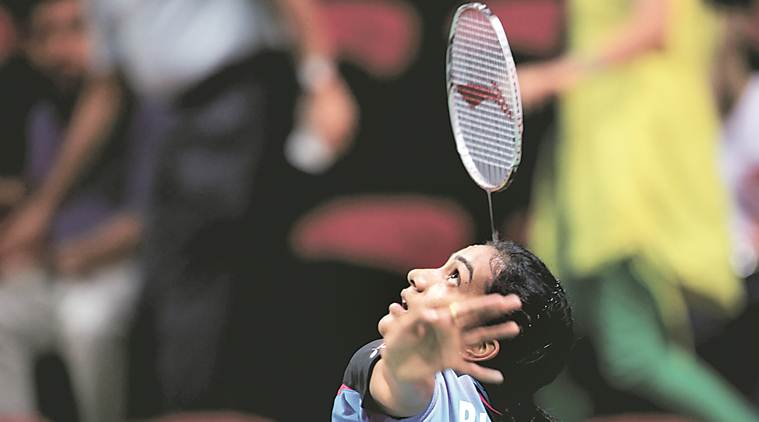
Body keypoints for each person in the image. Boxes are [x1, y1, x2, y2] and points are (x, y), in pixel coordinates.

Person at [0, 0, 357, 418]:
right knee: (181, 299)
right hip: (172, 118)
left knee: (236, 285)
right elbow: (105, 87)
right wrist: (42, 208)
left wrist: (322, 81)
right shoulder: (85, 92)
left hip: (235, 96)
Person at [520, 0, 759, 420]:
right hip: (591, 162)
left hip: (628, 171)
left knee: (633, 355)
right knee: (543, 338)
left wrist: (551, 76)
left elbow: (654, 27)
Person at [0, 0, 163, 421]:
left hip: (116, 268)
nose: (61, 49)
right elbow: (37, 208)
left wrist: (67, 257)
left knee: (85, 322)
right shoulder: (44, 115)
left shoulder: (146, 109)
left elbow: (146, 222)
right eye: (47, 35)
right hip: (57, 269)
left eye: (75, 30)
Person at [333, 240, 574, 422]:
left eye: (454, 276)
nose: (416, 275)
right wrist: (404, 368)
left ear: (478, 346)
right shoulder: (402, 372)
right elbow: (403, 389)